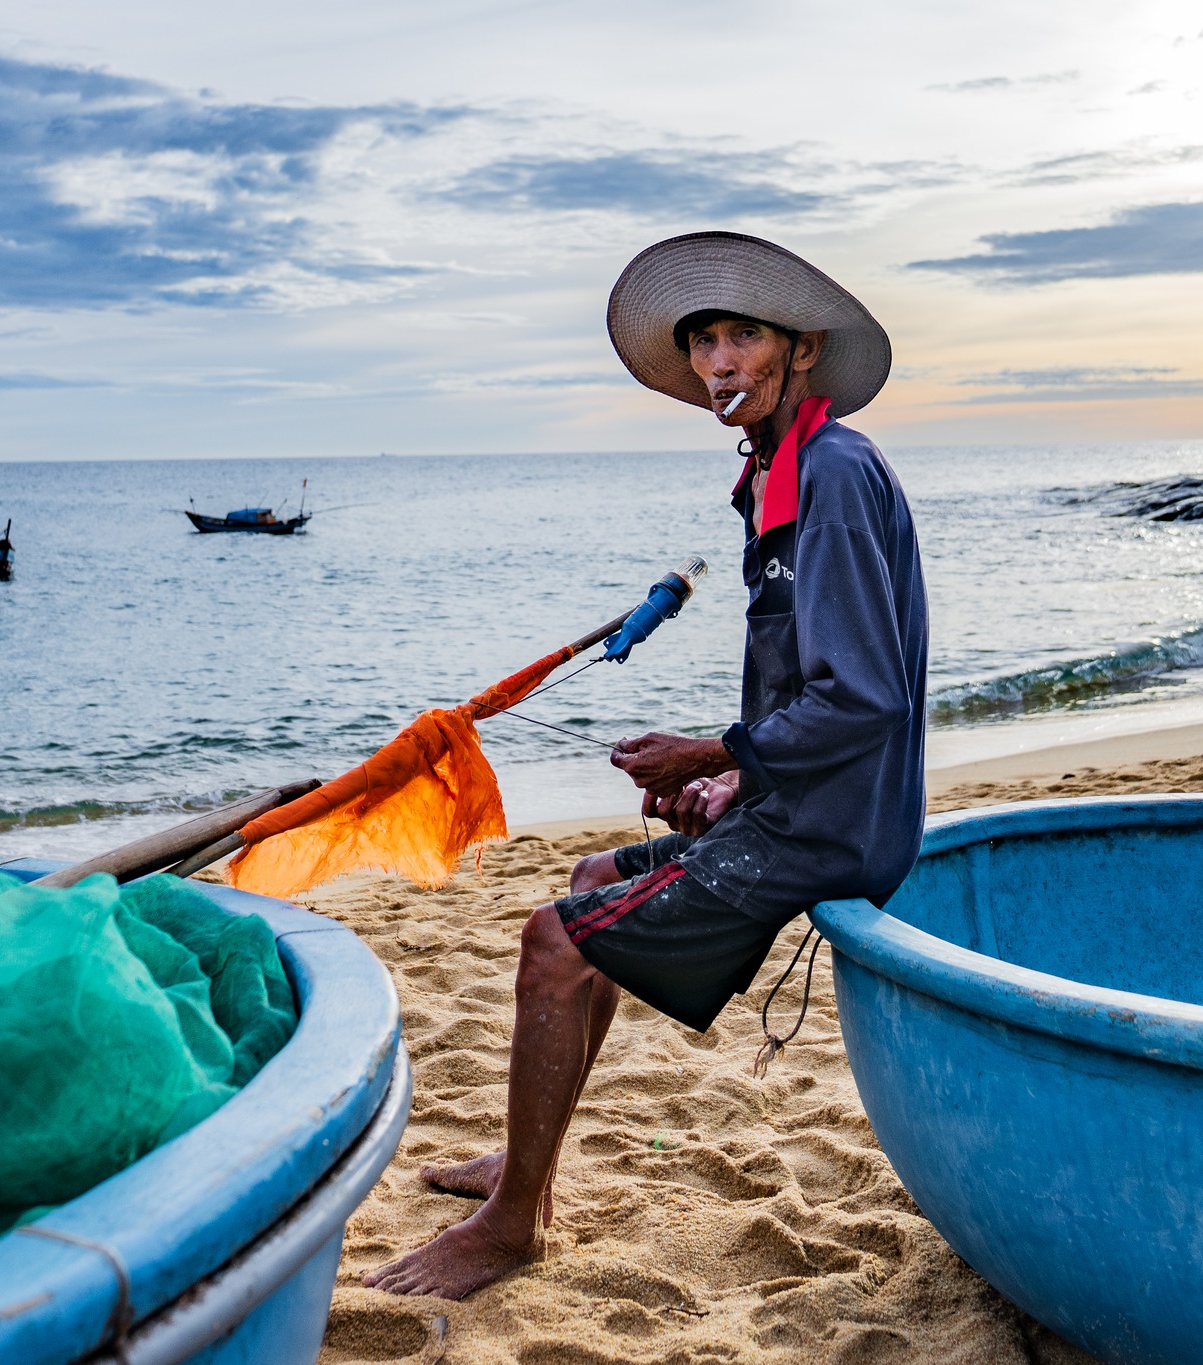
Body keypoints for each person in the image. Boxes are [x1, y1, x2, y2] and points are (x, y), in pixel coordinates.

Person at [366, 231, 929, 1299]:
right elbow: (804, 684)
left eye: (740, 336)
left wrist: (713, 749)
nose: (717, 360)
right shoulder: (773, 469)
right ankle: (523, 1173)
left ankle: (512, 1223)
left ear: (799, 348)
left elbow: (864, 699)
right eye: (703, 340)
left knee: (551, 941)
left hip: (835, 827)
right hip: (793, 802)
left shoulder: (835, 474)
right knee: (585, 890)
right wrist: (733, 780)